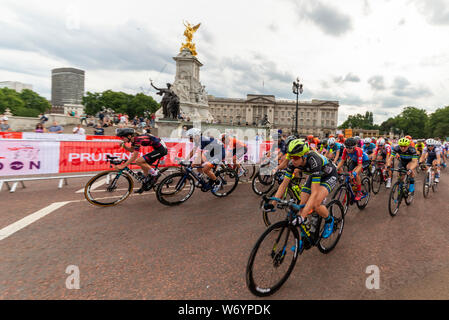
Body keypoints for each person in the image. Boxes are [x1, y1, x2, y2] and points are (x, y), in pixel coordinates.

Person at [265, 139, 338, 243]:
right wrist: (273, 203)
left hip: (328, 175)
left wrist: (302, 217)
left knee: (316, 204)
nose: (292, 160)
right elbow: (284, 185)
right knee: (301, 203)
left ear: (304, 156)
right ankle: (306, 233)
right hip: (314, 175)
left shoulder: (314, 160)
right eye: (291, 157)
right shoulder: (292, 163)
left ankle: (329, 220)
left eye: (295, 158)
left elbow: (315, 193)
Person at [115, 128, 168, 194]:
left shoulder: (137, 139)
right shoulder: (133, 140)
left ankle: (155, 174)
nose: (121, 139)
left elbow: (134, 157)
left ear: (129, 136)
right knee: (143, 164)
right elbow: (131, 150)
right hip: (157, 149)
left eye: (122, 137)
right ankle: (145, 185)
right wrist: (124, 146)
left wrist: (123, 166)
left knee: (138, 161)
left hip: (161, 150)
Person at [184, 128, 224, 192]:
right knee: (198, 163)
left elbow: (199, 155)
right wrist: (185, 160)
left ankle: (218, 183)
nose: (189, 139)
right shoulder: (198, 140)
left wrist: (192, 164)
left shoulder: (202, 140)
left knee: (205, 169)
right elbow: (193, 151)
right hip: (212, 152)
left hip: (219, 152)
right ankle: (201, 178)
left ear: (196, 136)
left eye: (190, 137)